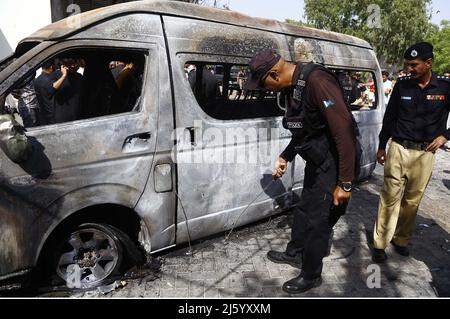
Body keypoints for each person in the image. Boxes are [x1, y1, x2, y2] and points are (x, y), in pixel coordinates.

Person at [246, 49, 358, 293]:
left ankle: (310, 274)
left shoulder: (318, 81)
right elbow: (305, 130)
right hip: (318, 160)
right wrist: (286, 155)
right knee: (305, 208)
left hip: (335, 162)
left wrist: (345, 182)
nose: (266, 90)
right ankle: (295, 252)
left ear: (274, 74)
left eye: (264, 84)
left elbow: (344, 132)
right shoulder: (293, 87)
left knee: (320, 219)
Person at [372, 42, 450, 263]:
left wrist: (446, 135)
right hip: (398, 148)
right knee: (388, 197)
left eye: (414, 65)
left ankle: (401, 239)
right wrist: (381, 145)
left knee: (412, 201)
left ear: (429, 63)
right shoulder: (403, 85)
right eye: (407, 64)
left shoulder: (445, 86)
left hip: (425, 154)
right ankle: (379, 243)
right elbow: (390, 117)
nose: (409, 69)